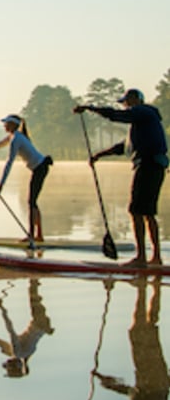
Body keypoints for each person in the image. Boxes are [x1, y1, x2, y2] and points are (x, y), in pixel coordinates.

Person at [74, 89, 169, 267]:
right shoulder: (141, 123)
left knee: (137, 211)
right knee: (147, 212)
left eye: (126, 102)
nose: (125, 105)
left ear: (134, 100)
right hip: (153, 166)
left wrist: (89, 108)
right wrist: (99, 155)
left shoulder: (143, 112)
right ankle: (155, 257)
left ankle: (142, 259)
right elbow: (123, 147)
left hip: (149, 166)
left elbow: (115, 115)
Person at [80, 278, 168, 400]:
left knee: (149, 327)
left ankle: (153, 290)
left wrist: (102, 379)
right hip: (149, 373)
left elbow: (125, 390)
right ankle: (143, 291)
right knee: (140, 328)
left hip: (159, 376)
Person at [0, 278, 54, 378]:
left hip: (43, 326)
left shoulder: (23, 355)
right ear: (14, 365)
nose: (6, 363)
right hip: (39, 323)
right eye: (7, 366)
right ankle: (35, 275)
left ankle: (35, 277)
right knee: (33, 295)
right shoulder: (17, 351)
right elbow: (10, 328)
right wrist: (1, 307)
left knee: (34, 296)